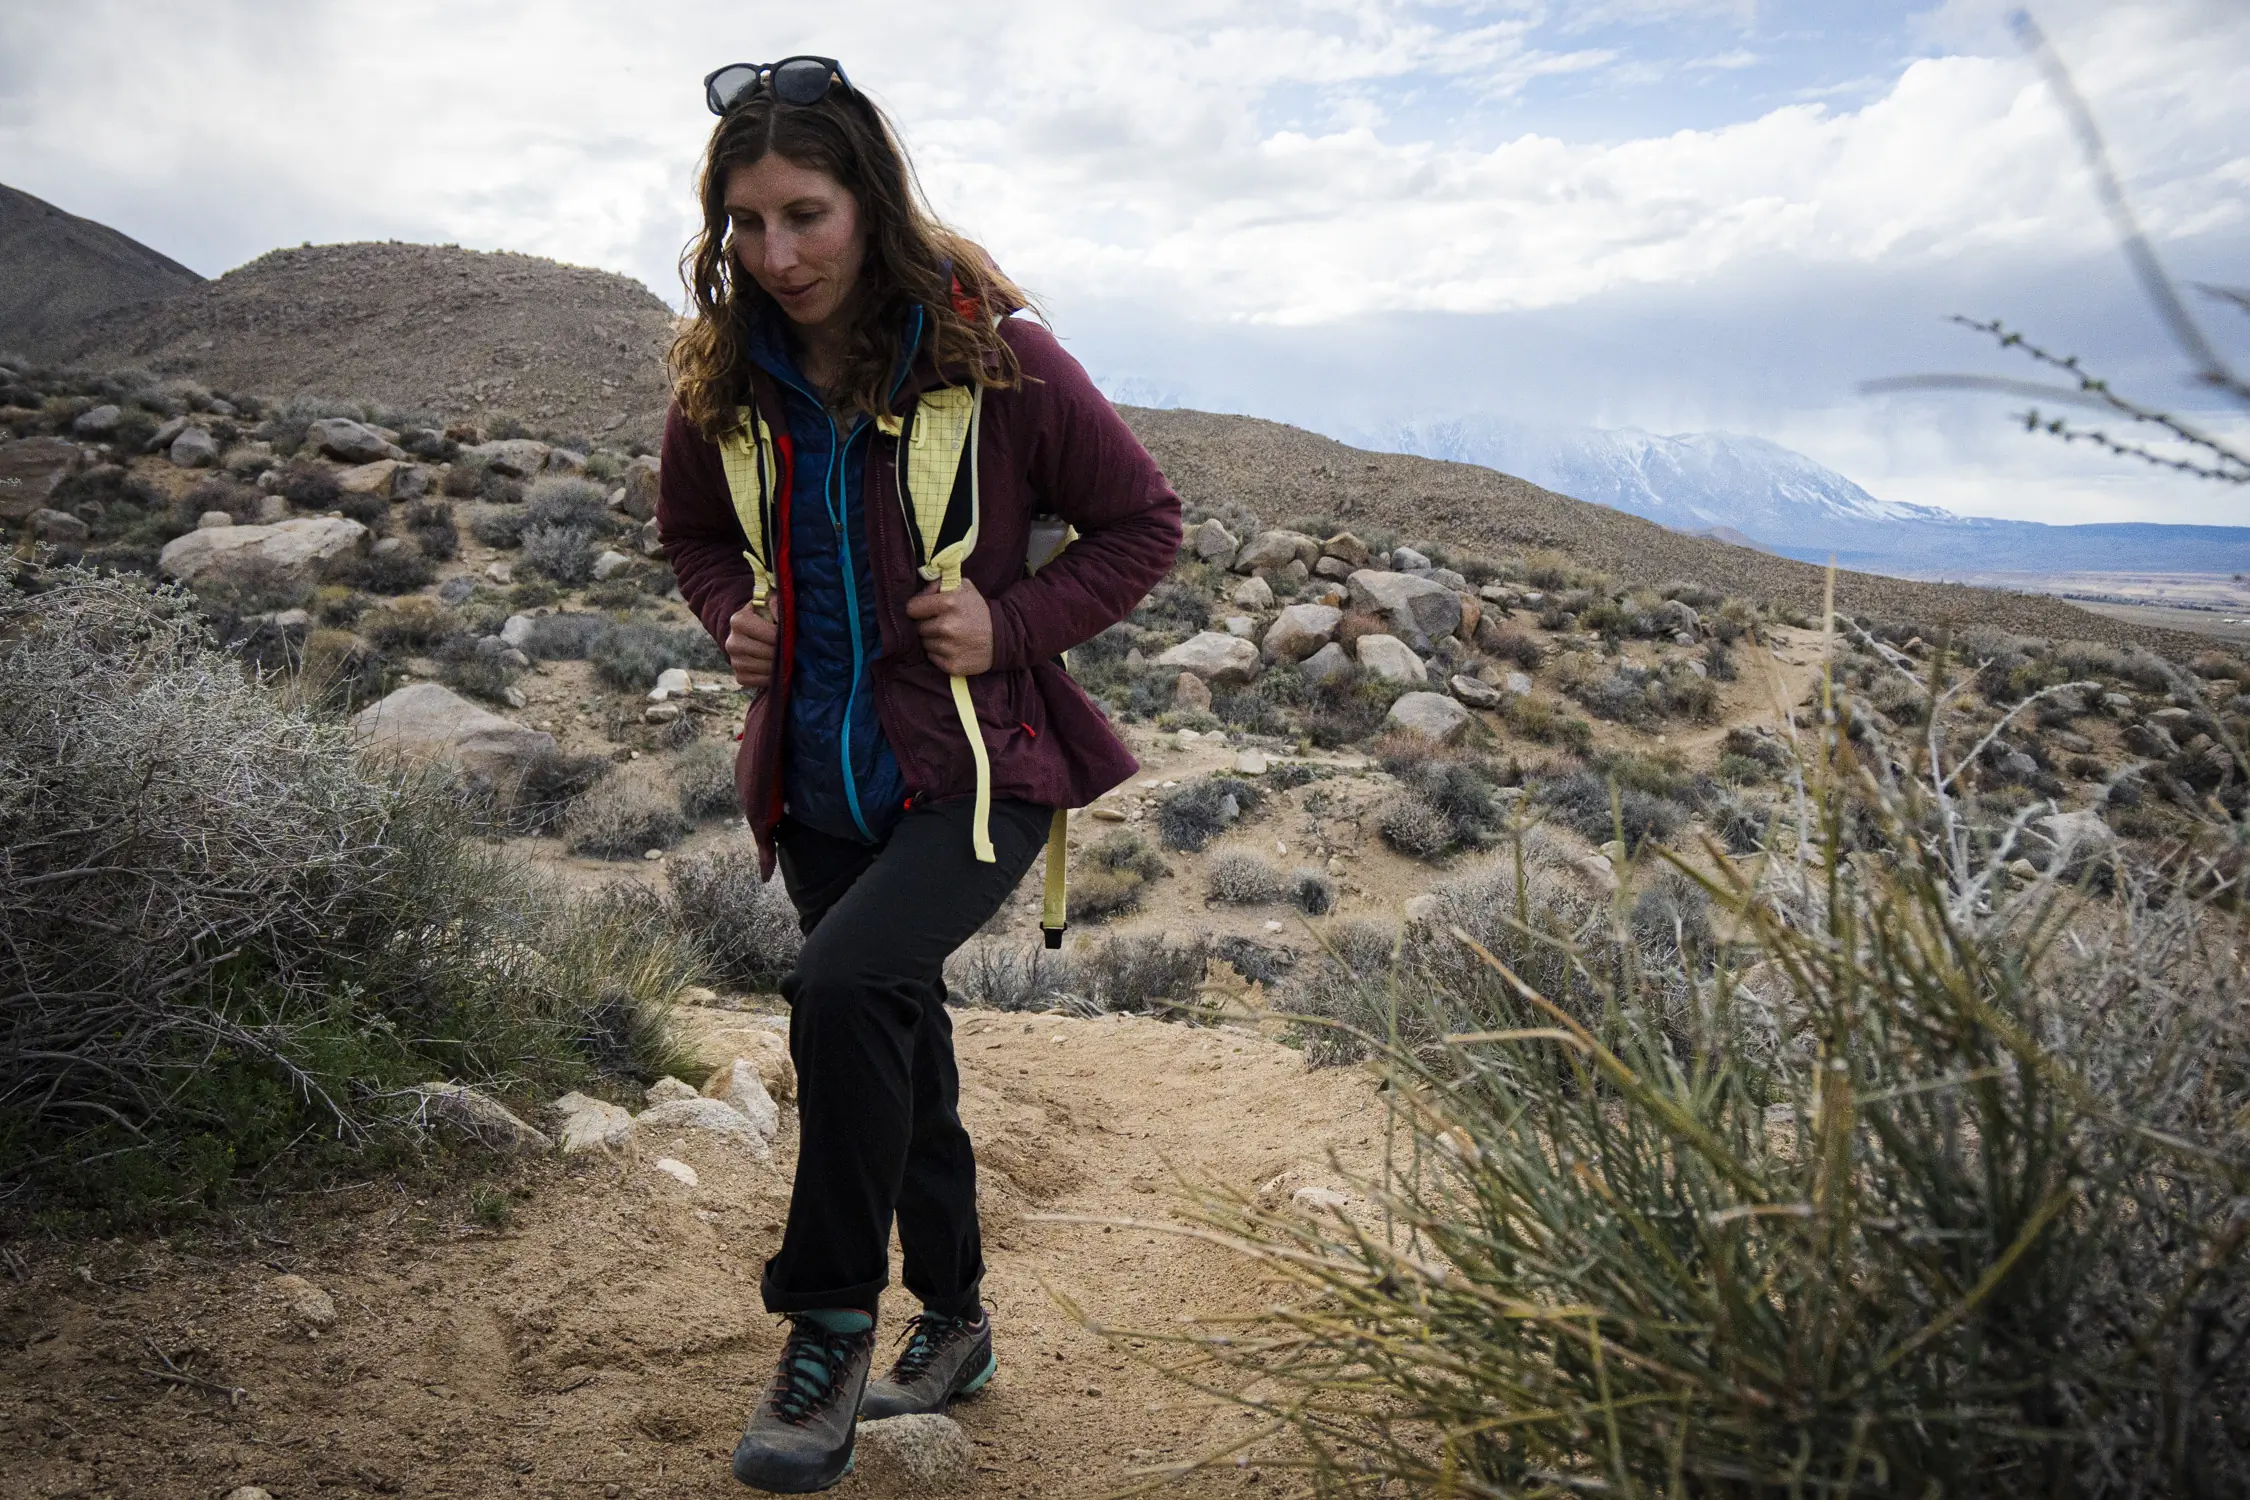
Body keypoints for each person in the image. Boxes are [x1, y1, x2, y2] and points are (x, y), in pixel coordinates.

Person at [656, 56, 1182, 1494]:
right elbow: (695, 539)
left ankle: (823, 1330)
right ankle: (953, 1325)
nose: (778, 254)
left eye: (806, 215)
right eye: (748, 224)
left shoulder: (992, 357)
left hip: (978, 776)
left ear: (868, 203)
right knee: (897, 1045)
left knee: (837, 990)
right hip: (815, 783)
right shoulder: (726, 373)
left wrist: (1011, 621)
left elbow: (1142, 522)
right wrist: (730, 619)